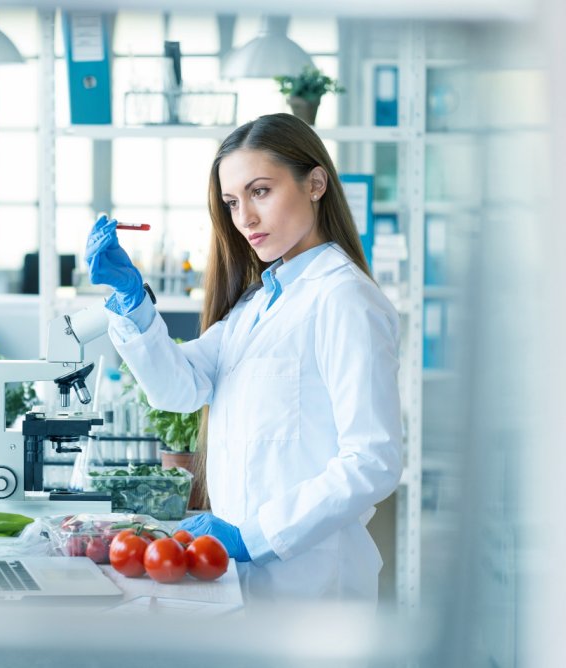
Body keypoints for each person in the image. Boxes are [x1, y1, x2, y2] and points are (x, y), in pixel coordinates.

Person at [86, 113, 402, 603]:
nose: (245, 219)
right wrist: (133, 303)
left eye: (260, 191)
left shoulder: (343, 299)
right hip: (241, 580)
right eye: (232, 202)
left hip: (314, 584)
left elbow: (372, 461)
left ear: (315, 183)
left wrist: (254, 537)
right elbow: (179, 387)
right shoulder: (259, 303)